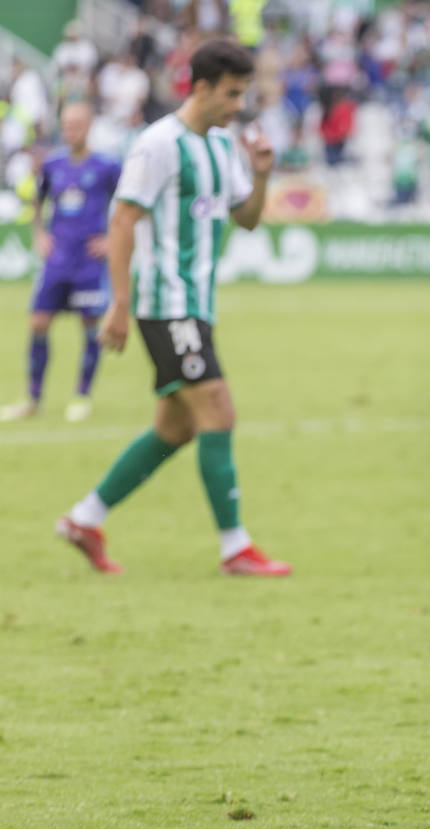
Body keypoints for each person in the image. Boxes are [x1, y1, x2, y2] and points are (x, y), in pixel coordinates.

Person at [55, 38, 290, 578]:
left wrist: (259, 173)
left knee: (176, 428)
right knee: (218, 411)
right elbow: (122, 221)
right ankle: (235, 547)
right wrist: (119, 301)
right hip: (165, 306)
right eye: (231, 94)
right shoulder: (158, 144)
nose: (237, 106)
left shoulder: (223, 145)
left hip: (197, 307)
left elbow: (247, 219)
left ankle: (84, 519)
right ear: (201, 86)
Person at [1, 102, 120, 423]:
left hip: (88, 261)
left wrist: (111, 239)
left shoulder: (107, 166)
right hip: (58, 257)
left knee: (89, 326)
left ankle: (82, 396)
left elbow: (127, 205)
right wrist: (39, 233)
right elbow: (38, 200)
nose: (71, 131)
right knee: (38, 322)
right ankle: (32, 398)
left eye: (77, 125)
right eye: (67, 125)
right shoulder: (52, 165)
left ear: (89, 125)